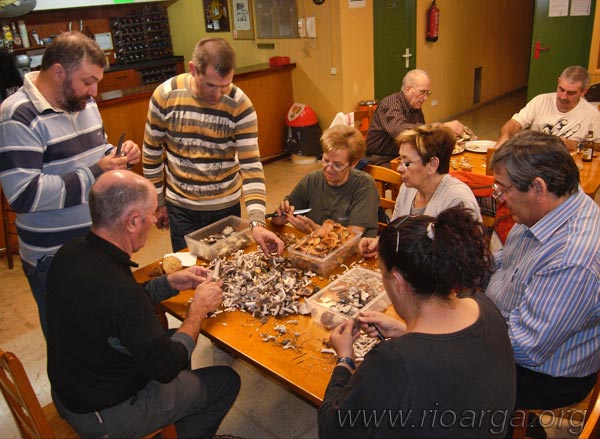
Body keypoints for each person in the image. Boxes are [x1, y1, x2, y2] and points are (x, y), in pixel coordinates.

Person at [46, 170, 240, 438]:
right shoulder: (119, 290)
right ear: (133, 221)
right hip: (104, 415)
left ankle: (177, 417)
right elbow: (166, 366)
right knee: (226, 382)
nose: (155, 220)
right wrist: (197, 312)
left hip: (72, 389)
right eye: (152, 214)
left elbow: (116, 309)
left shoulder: (72, 251)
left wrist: (168, 283)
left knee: (174, 338)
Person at [318, 206, 516, 438]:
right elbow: (452, 358)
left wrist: (345, 360)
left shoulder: (391, 362)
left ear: (397, 281)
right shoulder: (484, 306)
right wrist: (405, 331)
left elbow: (333, 430)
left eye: (382, 273)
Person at [0, 31, 140, 337]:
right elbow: (23, 195)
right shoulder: (17, 115)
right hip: (55, 256)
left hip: (99, 241)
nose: (94, 91)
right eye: (88, 81)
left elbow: (95, 152)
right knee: (71, 344)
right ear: (59, 72)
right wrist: (95, 172)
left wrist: (118, 155)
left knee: (106, 334)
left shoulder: (83, 103)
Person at [486, 130, 600, 413]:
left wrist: (455, 330)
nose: (500, 198)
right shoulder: (549, 209)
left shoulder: (571, 260)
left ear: (538, 187)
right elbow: (507, 262)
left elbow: (526, 347)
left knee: (441, 377)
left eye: (503, 188)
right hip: (506, 324)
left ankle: (507, 425)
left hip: (544, 375)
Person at [143, 37, 283, 255]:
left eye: (225, 86)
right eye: (210, 85)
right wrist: (158, 203)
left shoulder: (240, 104)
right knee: (189, 268)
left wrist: (256, 222)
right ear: (193, 69)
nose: (217, 94)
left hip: (224, 208)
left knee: (227, 266)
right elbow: (151, 153)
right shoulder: (165, 95)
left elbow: (251, 167)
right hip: (181, 208)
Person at [359, 124, 481, 258]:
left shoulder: (457, 201)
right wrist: (381, 242)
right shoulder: (408, 188)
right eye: (400, 160)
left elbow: (462, 261)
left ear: (432, 165)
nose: (399, 168)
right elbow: (395, 231)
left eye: (407, 163)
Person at [271, 125, 379, 237]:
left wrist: (314, 229)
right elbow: (279, 219)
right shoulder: (312, 180)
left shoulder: (364, 185)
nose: (328, 169)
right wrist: (279, 217)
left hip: (355, 247)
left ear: (353, 164)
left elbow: (352, 238)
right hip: (320, 245)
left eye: (337, 165)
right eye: (326, 160)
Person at [365, 69, 465, 166]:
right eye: (422, 92)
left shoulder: (414, 105)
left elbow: (421, 135)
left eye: (428, 93)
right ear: (408, 90)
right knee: (432, 169)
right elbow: (402, 132)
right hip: (381, 160)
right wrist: (440, 127)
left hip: (404, 155)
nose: (425, 98)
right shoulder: (390, 103)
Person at [496, 65, 600, 150]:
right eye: (561, 89)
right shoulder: (541, 100)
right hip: (535, 159)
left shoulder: (592, 114)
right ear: (558, 81)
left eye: (571, 93)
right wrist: (504, 136)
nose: (563, 97)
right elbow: (515, 123)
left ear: (583, 92)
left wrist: (576, 145)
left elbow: (598, 146)